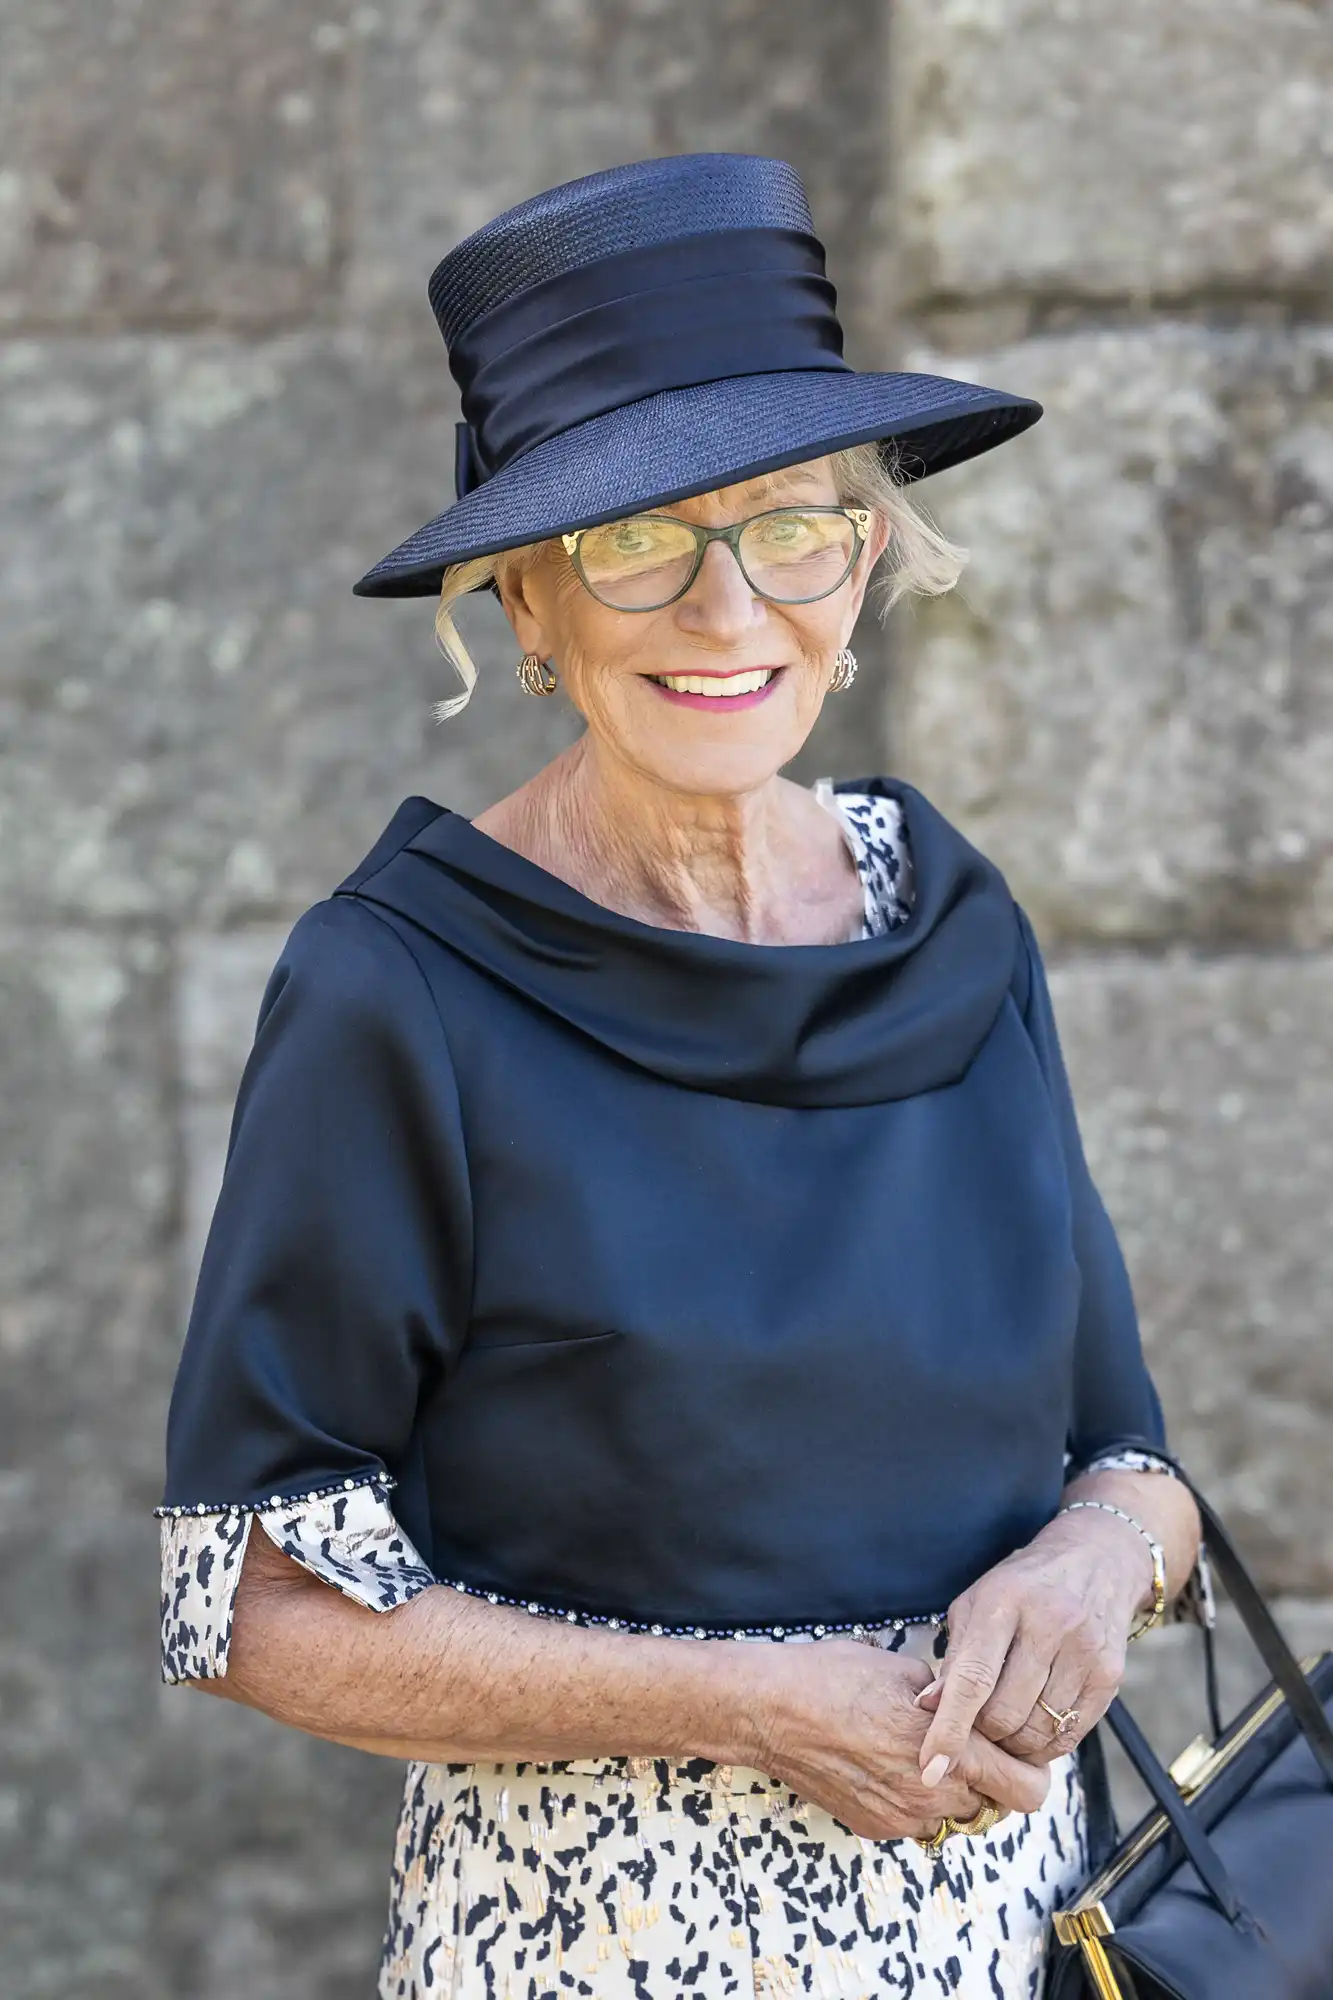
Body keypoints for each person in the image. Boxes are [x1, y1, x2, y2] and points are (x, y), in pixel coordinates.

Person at [157, 154, 1206, 1999]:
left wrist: (1093, 1571)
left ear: (864, 557)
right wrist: (743, 1708)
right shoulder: (397, 986)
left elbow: (1125, 1452)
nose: (729, 612)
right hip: (598, 1956)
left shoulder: (952, 921)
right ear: (526, 607)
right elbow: (246, 1595)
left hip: (1023, 1945)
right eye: (639, 540)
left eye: (790, 527)